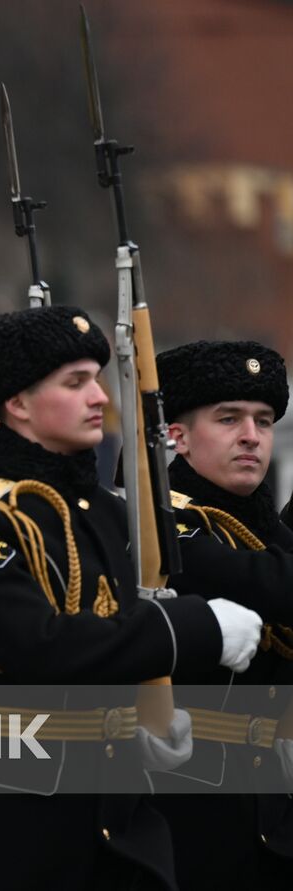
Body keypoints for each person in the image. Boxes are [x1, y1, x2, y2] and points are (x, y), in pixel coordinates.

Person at [0, 306, 265, 890]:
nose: (99, 396)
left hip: (114, 821)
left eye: (97, 378)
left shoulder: (103, 509)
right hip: (13, 824)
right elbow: (37, 649)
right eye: (75, 383)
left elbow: (116, 627)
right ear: (18, 404)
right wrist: (194, 629)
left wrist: (148, 722)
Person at [148, 340, 293, 885]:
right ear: (178, 436)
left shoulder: (268, 531)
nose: (251, 436)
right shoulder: (167, 527)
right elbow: (267, 585)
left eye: (263, 420)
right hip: (184, 800)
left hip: (268, 807)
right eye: (228, 419)